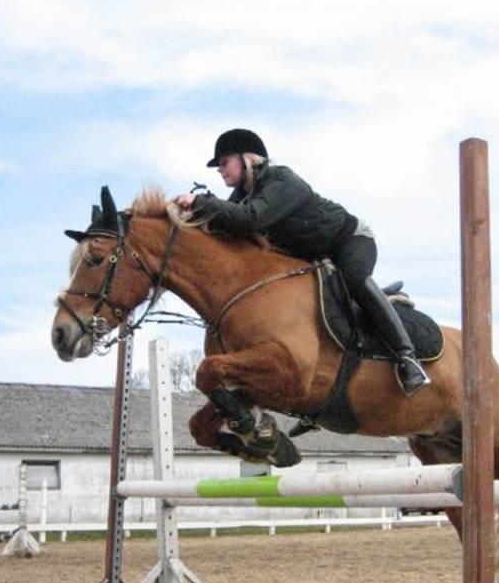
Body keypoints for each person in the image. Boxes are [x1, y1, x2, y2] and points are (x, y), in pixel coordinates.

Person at [175, 128, 431, 397]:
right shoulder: (242, 196)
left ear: (247, 158)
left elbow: (249, 219)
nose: (220, 171)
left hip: (350, 241)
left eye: (224, 162)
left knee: (354, 280)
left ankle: (408, 359)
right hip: (316, 258)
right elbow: (229, 229)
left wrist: (202, 202)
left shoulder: (283, 180)